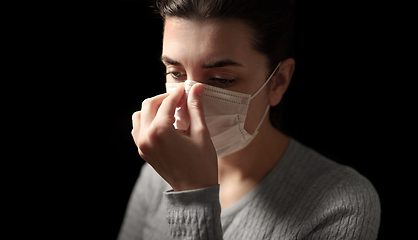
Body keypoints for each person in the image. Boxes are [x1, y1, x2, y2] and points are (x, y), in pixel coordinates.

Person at [119, 0, 380, 239]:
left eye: (221, 80)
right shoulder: (161, 169)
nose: (190, 99)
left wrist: (193, 196)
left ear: (278, 81)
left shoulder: (342, 204)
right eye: (176, 73)